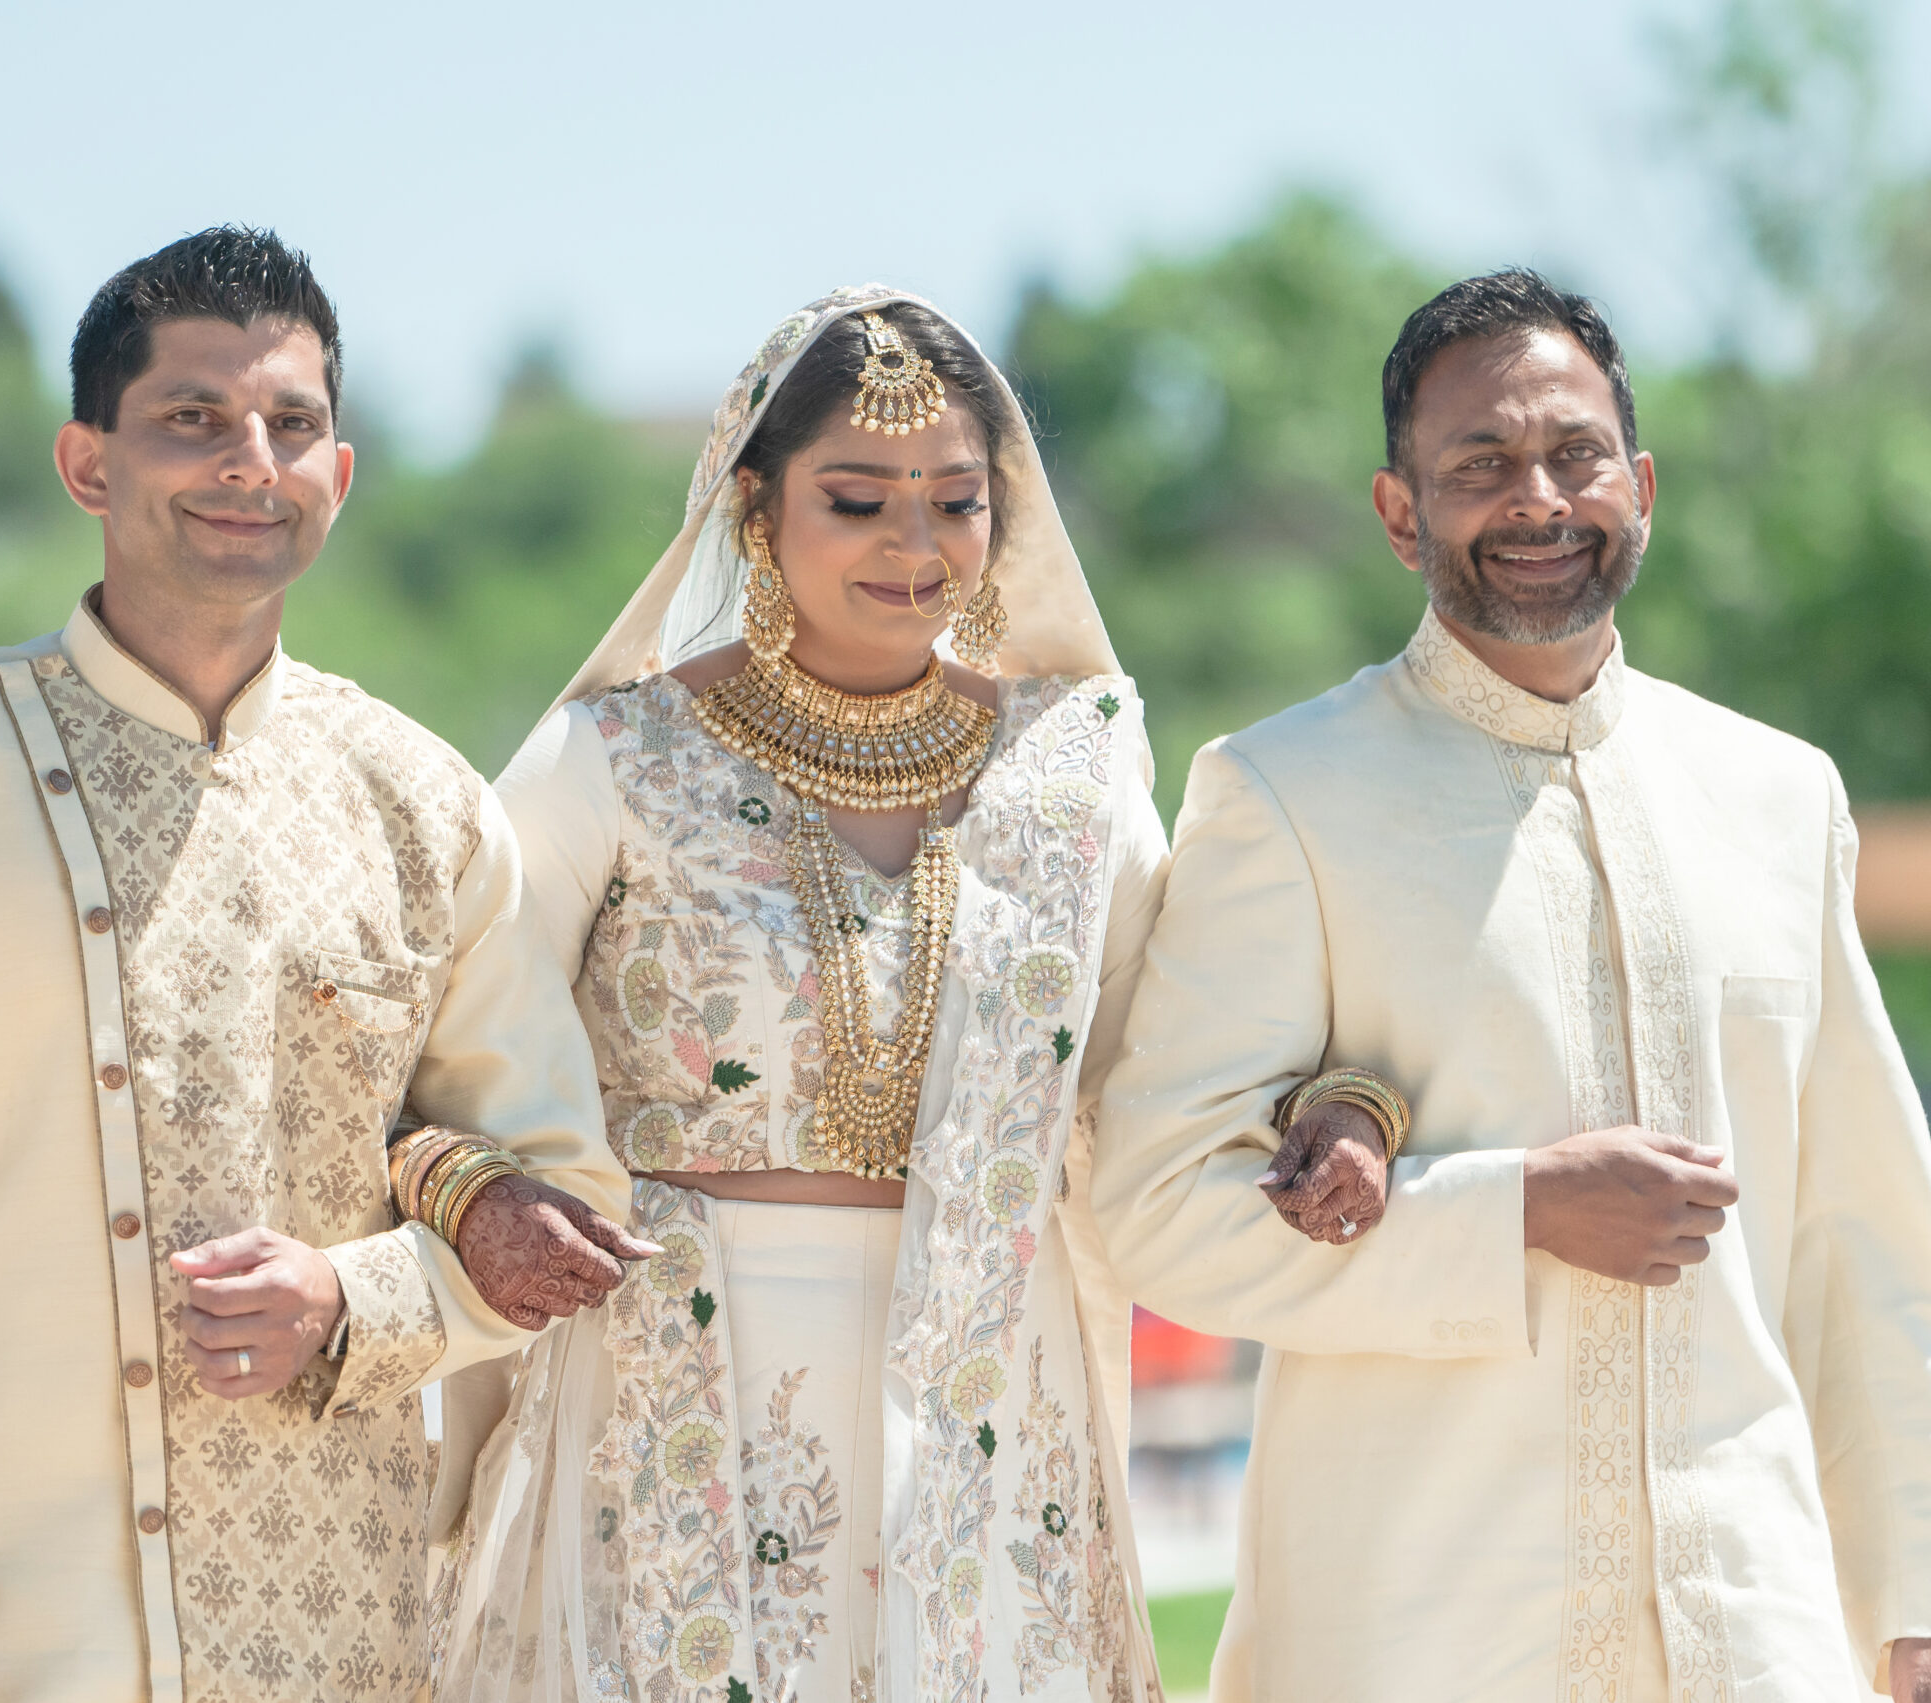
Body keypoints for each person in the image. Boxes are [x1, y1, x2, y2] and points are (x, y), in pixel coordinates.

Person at [0, 227, 645, 1703]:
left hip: (348, 1634)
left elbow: (567, 1205)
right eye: (192, 419)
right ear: (89, 464)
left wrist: (353, 1300)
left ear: (339, 474)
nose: (247, 461)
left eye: (292, 425)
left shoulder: (425, 804)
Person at [428, 288, 1373, 1703]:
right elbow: (454, 1033)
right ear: (755, 507)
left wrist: (1339, 1104)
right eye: (859, 500)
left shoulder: (1075, 772)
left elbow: (1174, 1057)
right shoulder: (612, 760)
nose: (915, 547)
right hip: (681, 1376)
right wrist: (469, 1185)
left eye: (956, 502)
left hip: (993, 1375)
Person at [1096, 270, 1931, 1702]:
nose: (1537, 499)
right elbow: (1152, 1213)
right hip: (1414, 1638)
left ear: (1639, 484)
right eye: (1479, 464)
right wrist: (1514, 1208)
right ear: (1401, 514)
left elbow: (1866, 1240)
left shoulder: (1776, 797)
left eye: (1574, 455)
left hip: (1749, 1642)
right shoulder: (1284, 795)